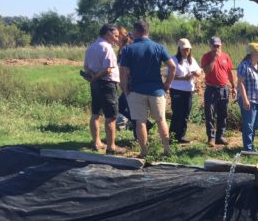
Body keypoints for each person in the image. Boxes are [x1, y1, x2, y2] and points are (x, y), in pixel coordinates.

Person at [118, 20, 175, 158]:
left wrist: (125, 89)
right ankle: (167, 150)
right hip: (156, 90)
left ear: (136, 31)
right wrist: (167, 84)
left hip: (136, 90)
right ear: (147, 31)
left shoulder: (128, 49)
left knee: (140, 121)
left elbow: (123, 71)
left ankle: (144, 151)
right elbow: (172, 66)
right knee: (161, 120)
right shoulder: (158, 47)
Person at [83, 24, 123, 154]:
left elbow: (86, 67)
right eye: (116, 35)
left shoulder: (91, 47)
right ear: (108, 34)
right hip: (106, 84)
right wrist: (97, 77)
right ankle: (111, 146)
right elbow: (107, 68)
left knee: (96, 113)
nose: (118, 38)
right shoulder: (107, 48)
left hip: (95, 85)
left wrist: (92, 77)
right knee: (111, 116)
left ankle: (97, 142)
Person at [201, 36, 236, 147]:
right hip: (211, 89)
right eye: (214, 46)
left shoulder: (226, 56)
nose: (216, 48)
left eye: (218, 46)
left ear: (221, 45)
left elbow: (230, 72)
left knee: (223, 113)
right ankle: (211, 137)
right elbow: (206, 71)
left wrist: (233, 86)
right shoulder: (206, 57)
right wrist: (214, 59)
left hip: (223, 88)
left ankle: (220, 136)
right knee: (210, 114)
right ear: (210, 46)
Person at [236, 42, 258, 152]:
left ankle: (250, 145)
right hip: (249, 100)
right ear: (252, 54)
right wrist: (245, 99)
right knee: (249, 125)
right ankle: (248, 149)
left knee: (255, 125)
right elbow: (240, 83)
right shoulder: (244, 66)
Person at [169, 38, 202, 144]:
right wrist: (184, 78)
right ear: (179, 49)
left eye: (188, 49)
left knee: (185, 114)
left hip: (188, 90)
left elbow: (199, 70)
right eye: (184, 49)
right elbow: (170, 76)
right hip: (177, 90)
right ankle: (172, 136)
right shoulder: (173, 60)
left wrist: (197, 73)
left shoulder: (191, 60)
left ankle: (181, 135)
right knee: (177, 113)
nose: (186, 51)